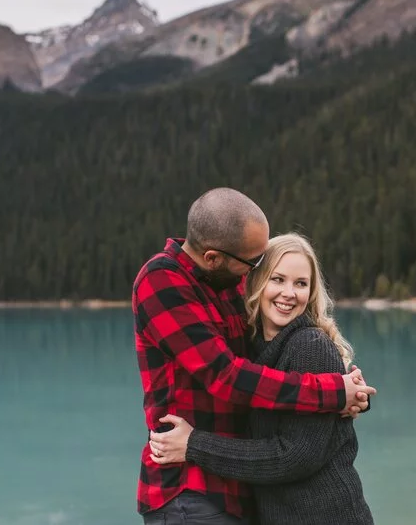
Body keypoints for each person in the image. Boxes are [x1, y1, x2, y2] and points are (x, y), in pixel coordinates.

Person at [133, 188, 376, 525]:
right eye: (258, 267)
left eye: (301, 283)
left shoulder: (229, 282)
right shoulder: (162, 281)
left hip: (242, 489)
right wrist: (333, 393)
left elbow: (269, 372)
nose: (254, 274)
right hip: (189, 489)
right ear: (214, 258)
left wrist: (352, 396)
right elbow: (226, 376)